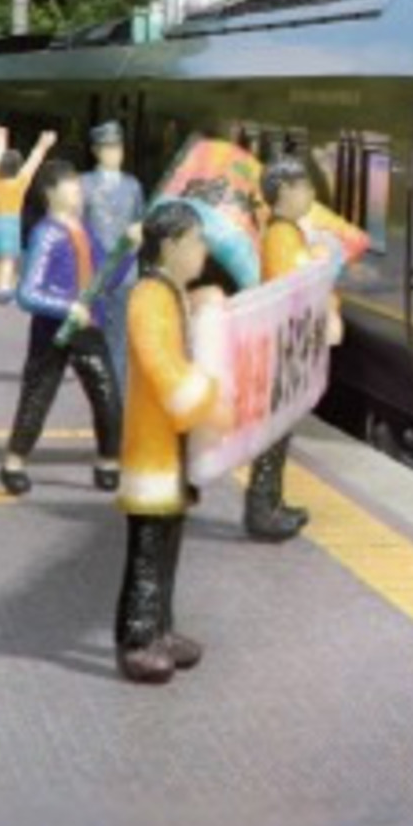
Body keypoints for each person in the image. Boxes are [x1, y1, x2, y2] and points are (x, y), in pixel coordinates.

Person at [114, 200, 231, 684]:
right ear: (169, 246)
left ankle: (160, 628)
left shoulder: (169, 293)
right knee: (148, 553)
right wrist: (207, 399)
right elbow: (164, 370)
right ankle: (138, 639)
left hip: (171, 452)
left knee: (167, 546)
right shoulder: (149, 299)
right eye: (196, 241)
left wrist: (201, 305)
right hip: (154, 451)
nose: (204, 250)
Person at [0, 159, 123, 497]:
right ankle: (13, 462)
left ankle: (108, 460)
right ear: (50, 193)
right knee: (37, 397)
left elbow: (106, 276)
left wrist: (129, 248)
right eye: (72, 187)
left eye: (79, 187)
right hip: (52, 331)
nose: (79, 193)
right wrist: (67, 307)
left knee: (107, 396)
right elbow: (28, 294)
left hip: (88, 328)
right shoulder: (46, 234)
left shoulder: (85, 230)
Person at [242, 156, 322, 542]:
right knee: (274, 435)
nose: (311, 194)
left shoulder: (287, 232)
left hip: (286, 343)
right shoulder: (281, 236)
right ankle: (261, 511)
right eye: (304, 186)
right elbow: (293, 288)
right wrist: (316, 266)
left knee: (279, 432)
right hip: (282, 346)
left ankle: (272, 502)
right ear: (285, 191)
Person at [80, 120, 145, 395]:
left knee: (119, 337)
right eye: (108, 147)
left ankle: (116, 394)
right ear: (96, 150)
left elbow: (140, 220)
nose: (114, 152)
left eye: (118, 147)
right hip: (95, 271)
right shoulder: (84, 184)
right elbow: (78, 227)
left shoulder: (133, 186)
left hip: (126, 272)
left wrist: (138, 239)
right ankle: (99, 389)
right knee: (90, 337)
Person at [0, 125, 57, 301]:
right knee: (7, 258)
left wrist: (0, 139)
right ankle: (3, 289)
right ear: (19, 167)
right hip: (11, 224)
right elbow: (34, 161)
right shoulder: (20, 182)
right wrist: (43, 143)